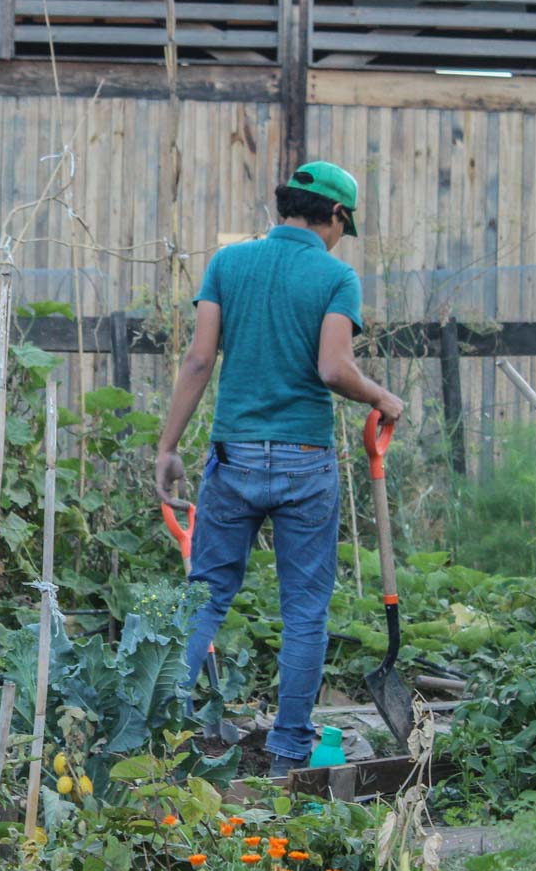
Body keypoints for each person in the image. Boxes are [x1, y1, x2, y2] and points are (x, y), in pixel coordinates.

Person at [153, 161, 404, 778]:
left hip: (233, 455)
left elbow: (198, 359)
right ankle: (289, 753)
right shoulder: (335, 276)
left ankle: (163, 735)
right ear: (337, 216)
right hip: (304, 461)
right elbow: (333, 369)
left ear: (285, 204)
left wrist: (167, 447)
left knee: (206, 596)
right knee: (304, 610)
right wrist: (380, 397)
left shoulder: (229, 264)